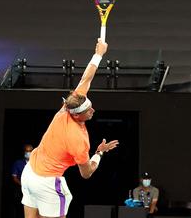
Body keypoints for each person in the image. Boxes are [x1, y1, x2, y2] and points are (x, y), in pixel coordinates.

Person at [21, 38, 120, 218]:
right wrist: (99, 153)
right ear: (76, 115)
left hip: (29, 175)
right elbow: (86, 173)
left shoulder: (69, 106)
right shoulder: (79, 140)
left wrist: (99, 54)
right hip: (47, 183)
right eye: (88, 111)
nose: (93, 110)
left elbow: (86, 78)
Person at [11, 144, 34, 218]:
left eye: (30, 151)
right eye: (27, 151)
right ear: (23, 152)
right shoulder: (18, 163)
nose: (28, 153)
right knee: (20, 211)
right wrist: (23, 185)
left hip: (33, 192)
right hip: (20, 191)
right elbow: (14, 178)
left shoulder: (35, 163)